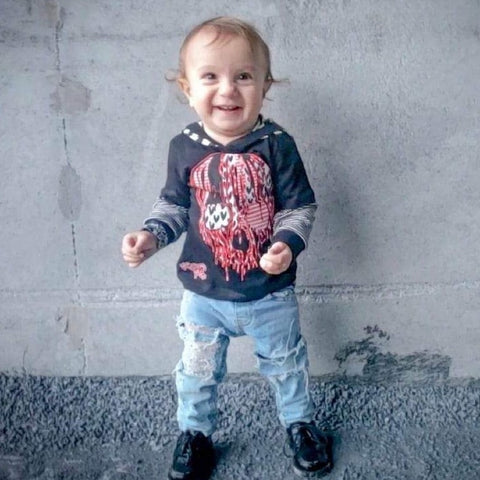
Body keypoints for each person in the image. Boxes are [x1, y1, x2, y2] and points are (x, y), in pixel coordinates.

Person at [122, 16, 333, 479]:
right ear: (187, 88)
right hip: (203, 293)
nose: (228, 90)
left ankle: (300, 424)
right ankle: (195, 433)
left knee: (286, 363)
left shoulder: (276, 145)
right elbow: (175, 206)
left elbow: (299, 207)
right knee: (196, 370)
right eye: (210, 76)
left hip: (269, 291)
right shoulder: (185, 146)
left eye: (243, 76)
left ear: (265, 85)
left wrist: (286, 244)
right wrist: (151, 236)